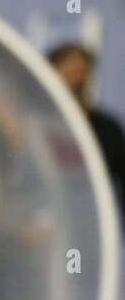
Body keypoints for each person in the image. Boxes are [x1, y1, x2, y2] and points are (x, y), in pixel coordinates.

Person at [48, 42, 125, 211]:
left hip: (95, 221)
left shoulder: (107, 128)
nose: (77, 80)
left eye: (81, 73)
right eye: (70, 73)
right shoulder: (37, 125)